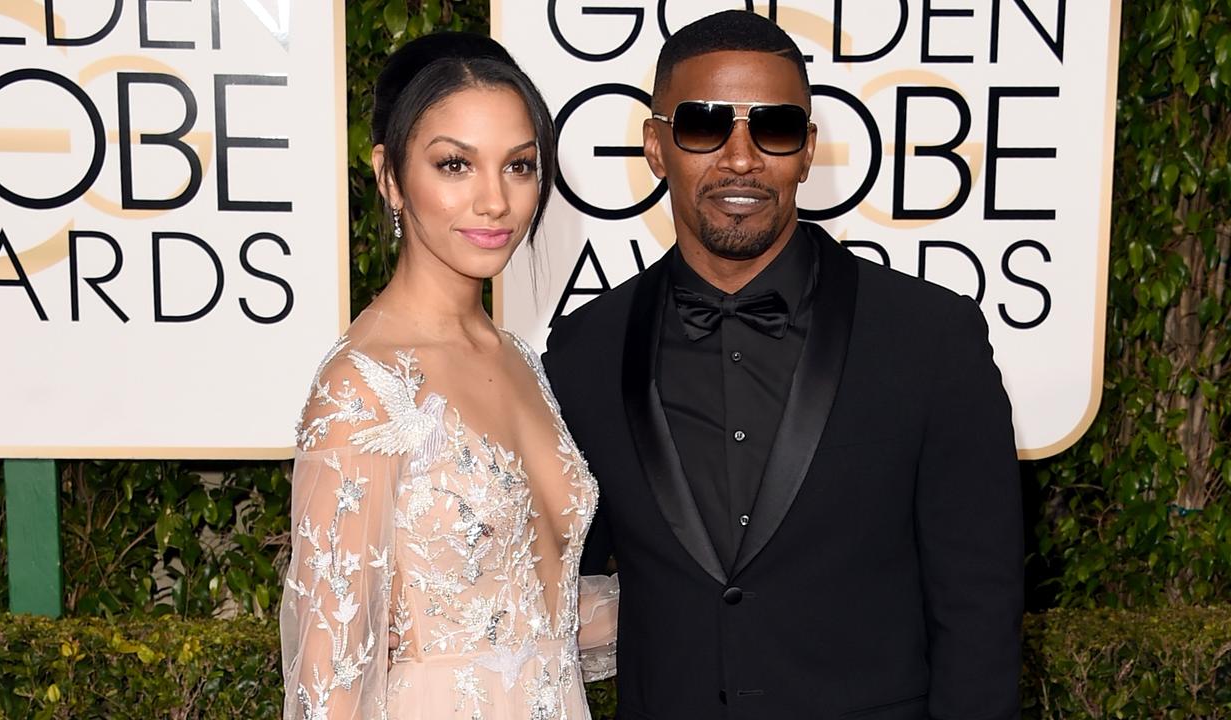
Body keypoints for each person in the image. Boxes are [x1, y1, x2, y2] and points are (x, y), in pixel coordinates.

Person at [543, 10, 1022, 720]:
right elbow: (557, 580)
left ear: (806, 150)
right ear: (655, 144)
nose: (741, 158)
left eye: (774, 127)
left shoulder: (931, 338)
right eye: (705, 125)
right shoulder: (584, 352)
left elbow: (979, 609)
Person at [279, 32, 618, 720]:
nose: (495, 200)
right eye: (455, 164)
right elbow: (329, 684)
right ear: (389, 176)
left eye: (520, 166)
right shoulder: (364, 386)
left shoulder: (520, 359)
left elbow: (525, 619)